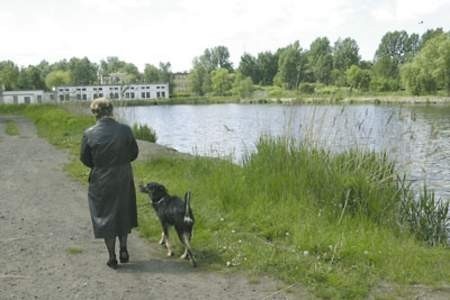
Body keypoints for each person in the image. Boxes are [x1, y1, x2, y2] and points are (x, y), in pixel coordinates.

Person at [80, 98, 139, 269]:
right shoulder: (125, 130)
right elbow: (134, 153)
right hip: (123, 176)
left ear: (94, 113)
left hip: (101, 179)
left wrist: (100, 165)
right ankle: (124, 249)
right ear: (111, 111)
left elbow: (85, 158)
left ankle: (112, 256)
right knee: (123, 212)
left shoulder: (89, 133)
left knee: (105, 216)